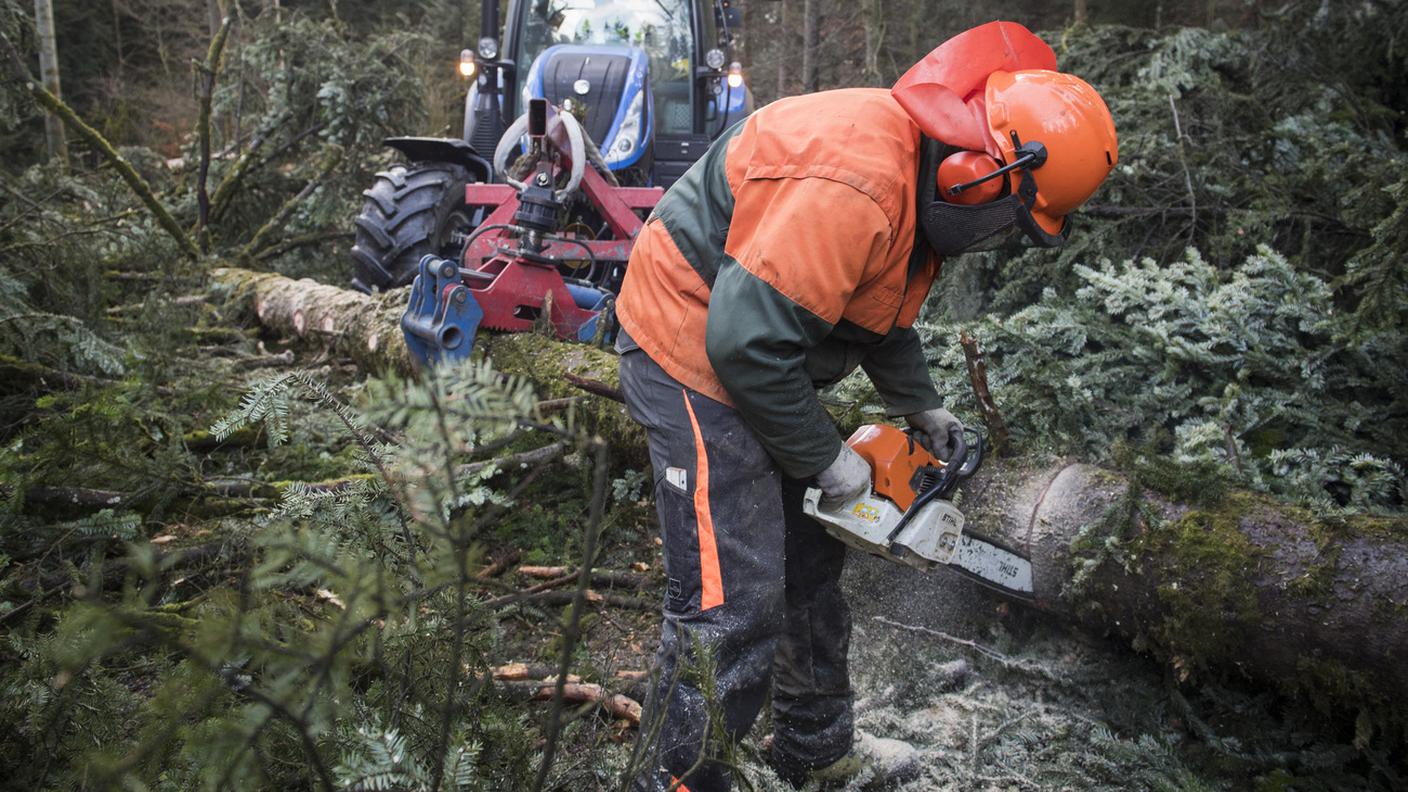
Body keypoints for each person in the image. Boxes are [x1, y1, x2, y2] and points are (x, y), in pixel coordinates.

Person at [615, 21, 1118, 790]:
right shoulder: (857, 181)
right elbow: (744, 346)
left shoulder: (917, 170)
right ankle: (675, 781)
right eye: (1007, 220)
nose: (993, 240)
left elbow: (871, 303)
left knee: (808, 566)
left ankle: (817, 753)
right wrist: (828, 461)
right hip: (690, 346)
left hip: (756, 348)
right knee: (733, 600)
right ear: (979, 176)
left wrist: (921, 406)